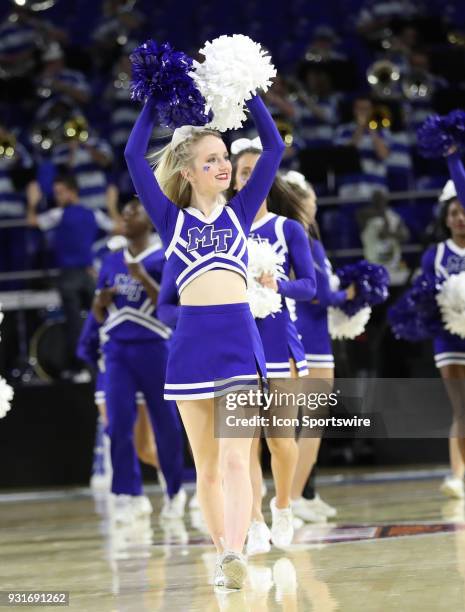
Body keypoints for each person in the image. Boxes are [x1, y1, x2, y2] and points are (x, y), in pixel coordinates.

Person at [125, 91, 284, 589]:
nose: (223, 166)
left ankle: (235, 548)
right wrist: (151, 102)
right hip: (191, 349)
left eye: (224, 158)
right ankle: (223, 555)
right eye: (211, 160)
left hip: (238, 341)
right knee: (208, 468)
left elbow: (274, 149)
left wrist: (252, 94)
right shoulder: (171, 220)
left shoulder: (240, 212)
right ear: (187, 172)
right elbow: (133, 156)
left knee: (239, 457)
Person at [227, 138, 316, 555]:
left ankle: (282, 506)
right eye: (242, 172)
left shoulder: (288, 228)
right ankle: (254, 519)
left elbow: (310, 286)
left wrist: (275, 285)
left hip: (280, 342)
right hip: (238, 346)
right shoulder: (224, 231)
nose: (249, 178)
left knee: (280, 439)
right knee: (245, 441)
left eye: (254, 171)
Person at [92, 198, 186, 523]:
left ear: (149, 222)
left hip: (155, 347)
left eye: (134, 212)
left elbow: (170, 307)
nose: (126, 217)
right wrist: (101, 302)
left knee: (166, 423)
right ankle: (128, 494)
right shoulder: (110, 260)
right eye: (125, 213)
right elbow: (98, 312)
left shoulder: (164, 258)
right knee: (117, 423)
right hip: (117, 350)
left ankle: (175, 490)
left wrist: (142, 276)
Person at [279, 171, 356, 522]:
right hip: (309, 339)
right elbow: (320, 295)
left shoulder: (302, 240)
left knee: (305, 425)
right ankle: (290, 499)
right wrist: (351, 296)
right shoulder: (302, 241)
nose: (313, 204)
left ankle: (297, 497)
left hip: (309, 338)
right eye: (308, 199)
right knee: (306, 425)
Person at [27, 173, 114, 380]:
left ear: (72, 191)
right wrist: (111, 205)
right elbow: (117, 227)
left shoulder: (58, 215)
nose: (57, 196)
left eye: (60, 192)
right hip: (88, 274)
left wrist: (32, 202)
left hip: (69, 276)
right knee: (99, 320)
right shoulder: (93, 214)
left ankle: (83, 369)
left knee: (75, 325)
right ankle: (104, 366)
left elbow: (32, 221)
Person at [420, 149, 465, 500]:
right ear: (446, 218)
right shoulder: (434, 254)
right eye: (454, 213)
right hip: (448, 338)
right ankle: (457, 476)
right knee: (460, 407)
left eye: (463, 211)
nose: (460, 218)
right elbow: (423, 298)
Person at [335, 95, 390, 198]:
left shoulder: (382, 131)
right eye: (360, 108)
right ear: (354, 110)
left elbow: (383, 155)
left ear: (372, 110)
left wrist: (372, 130)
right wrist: (360, 127)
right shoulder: (343, 130)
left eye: (366, 109)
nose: (363, 112)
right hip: (350, 188)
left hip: (376, 188)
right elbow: (346, 154)